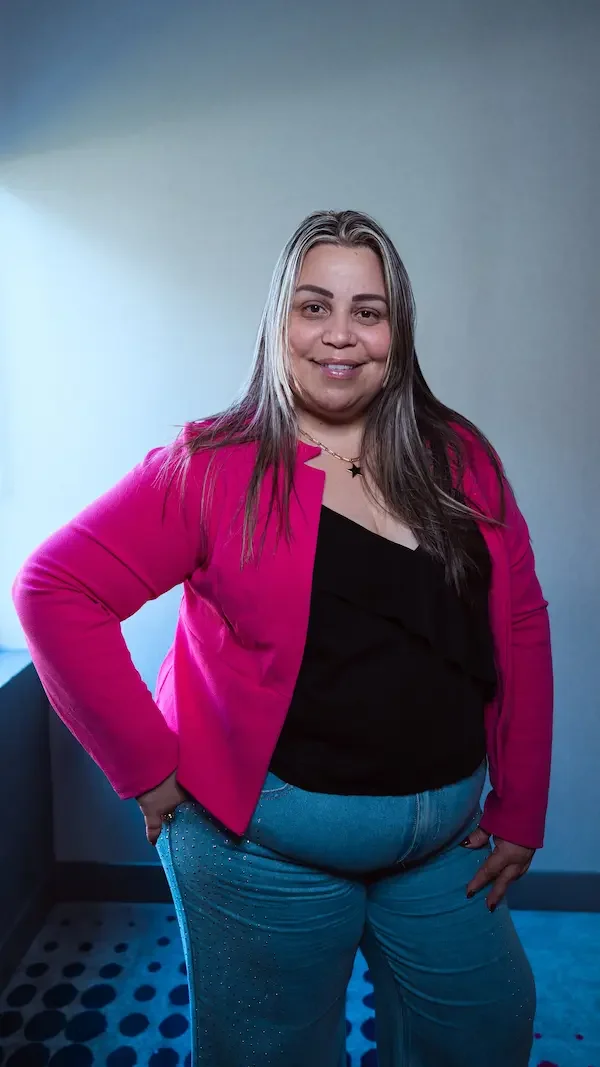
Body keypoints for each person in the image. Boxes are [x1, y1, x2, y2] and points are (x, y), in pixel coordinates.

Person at [13, 210, 553, 1067]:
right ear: (279, 322)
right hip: (258, 854)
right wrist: (146, 768)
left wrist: (522, 802)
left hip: (446, 844)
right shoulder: (209, 465)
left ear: (396, 329)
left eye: (368, 311)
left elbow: (520, 619)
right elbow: (54, 588)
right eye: (314, 306)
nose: (341, 335)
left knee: (484, 1027)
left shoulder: (462, 457)